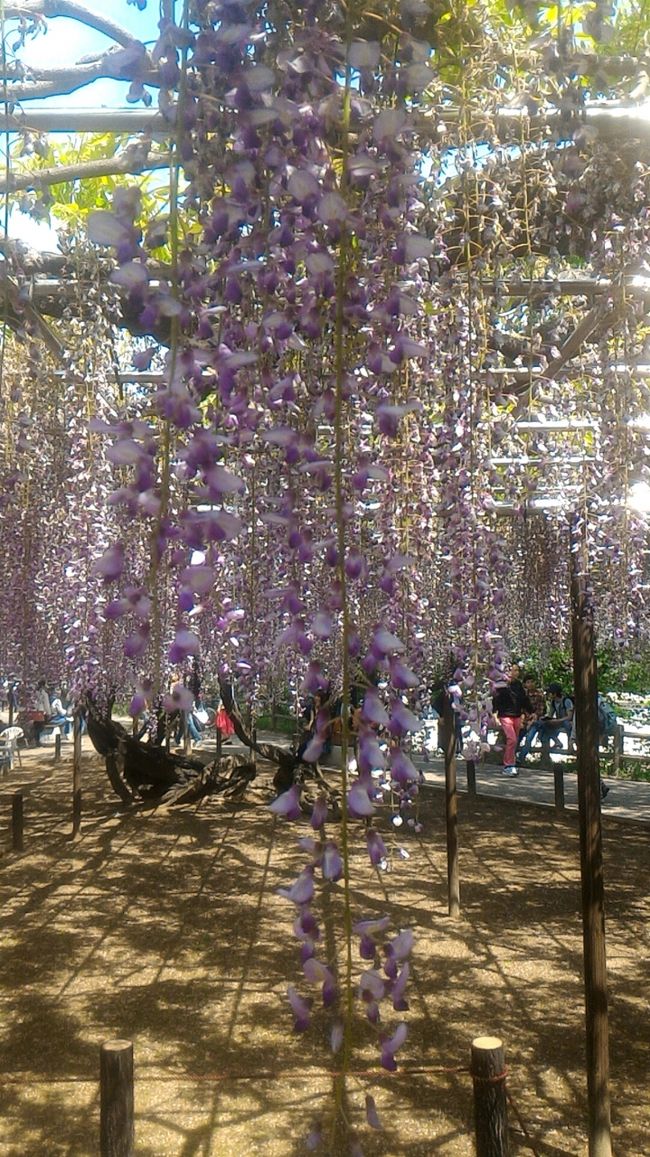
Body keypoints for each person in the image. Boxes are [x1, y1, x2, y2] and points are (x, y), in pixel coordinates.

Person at [492, 662, 532, 777]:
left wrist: (531, 712)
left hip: (517, 715)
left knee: (515, 741)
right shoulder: (501, 684)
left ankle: (511, 763)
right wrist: (495, 714)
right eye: (512, 670)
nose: (515, 673)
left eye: (517, 670)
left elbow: (524, 700)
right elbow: (496, 700)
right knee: (512, 739)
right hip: (505, 715)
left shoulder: (518, 685)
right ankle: (508, 765)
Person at [516, 674, 547, 762]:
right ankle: (511, 758)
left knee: (529, 737)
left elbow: (540, 710)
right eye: (528, 682)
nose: (530, 684)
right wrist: (523, 719)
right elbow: (521, 708)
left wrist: (533, 719)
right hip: (524, 720)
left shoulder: (539, 694)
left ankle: (521, 758)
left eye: (531, 682)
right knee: (517, 737)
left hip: (536, 721)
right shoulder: (523, 695)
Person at [536, 682, 574, 752]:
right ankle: (556, 741)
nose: (548, 694)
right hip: (559, 721)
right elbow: (550, 715)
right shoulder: (553, 702)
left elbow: (569, 717)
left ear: (555, 693)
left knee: (567, 724)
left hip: (567, 721)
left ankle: (570, 745)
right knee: (543, 723)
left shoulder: (566, 701)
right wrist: (545, 718)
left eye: (550, 693)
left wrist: (557, 721)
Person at [33, 678, 51, 745]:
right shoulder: (43, 693)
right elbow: (46, 704)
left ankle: (36, 740)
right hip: (41, 712)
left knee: (36, 726)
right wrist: (49, 713)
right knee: (40, 727)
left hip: (34, 711)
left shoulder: (35, 692)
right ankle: (38, 741)